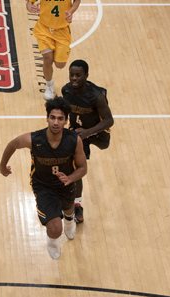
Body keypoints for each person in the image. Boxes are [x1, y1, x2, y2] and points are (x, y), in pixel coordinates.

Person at [0, 96, 87, 259]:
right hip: (43, 186)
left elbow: (83, 168)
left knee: (68, 209)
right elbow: (12, 144)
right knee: (55, 228)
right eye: (52, 117)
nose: (55, 122)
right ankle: (53, 243)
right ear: (47, 118)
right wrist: (3, 165)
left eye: (60, 118)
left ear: (66, 121)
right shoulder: (34, 139)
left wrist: (70, 178)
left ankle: (69, 220)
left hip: (65, 184)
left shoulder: (74, 141)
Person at [61, 59, 114, 223]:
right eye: (72, 75)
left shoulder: (96, 96)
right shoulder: (66, 90)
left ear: (86, 76)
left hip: (96, 132)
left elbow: (109, 120)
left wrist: (88, 132)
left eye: (78, 75)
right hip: (78, 133)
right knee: (76, 168)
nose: (74, 78)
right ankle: (77, 205)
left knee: (104, 146)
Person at [27, 0, 81, 100]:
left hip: (62, 30)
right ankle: (49, 85)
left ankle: (59, 51)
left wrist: (71, 11)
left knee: (60, 64)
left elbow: (77, 1)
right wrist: (29, 6)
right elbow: (29, 3)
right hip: (43, 29)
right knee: (47, 58)